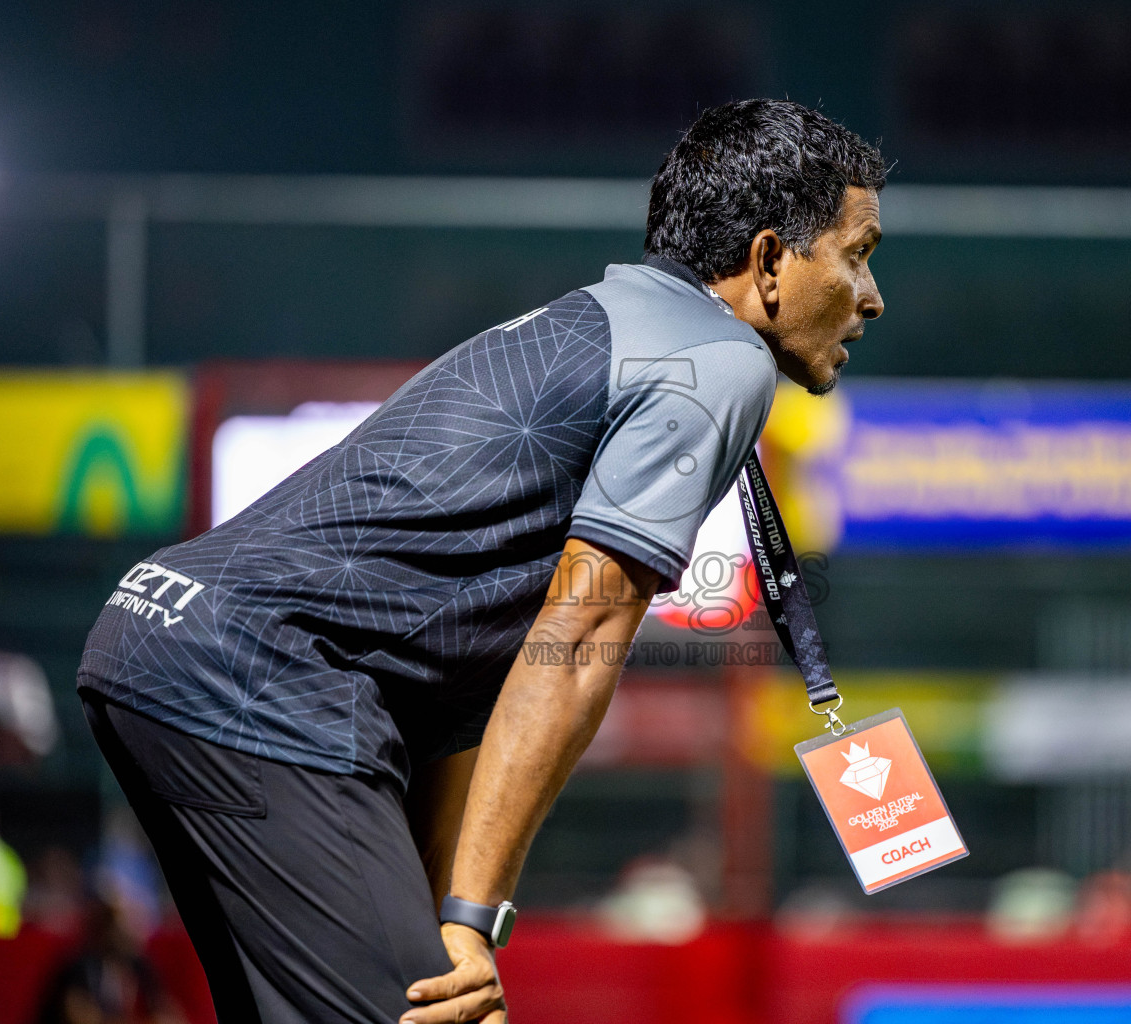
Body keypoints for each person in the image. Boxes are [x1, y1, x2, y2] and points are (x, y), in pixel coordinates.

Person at [76, 97, 885, 1024]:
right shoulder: (721, 363)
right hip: (259, 681)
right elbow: (577, 636)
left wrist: (438, 922)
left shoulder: (603, 319)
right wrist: (470, 919)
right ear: (771, 260)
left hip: (156, 639)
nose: (872, 294)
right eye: (857, 254)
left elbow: (455, 685)